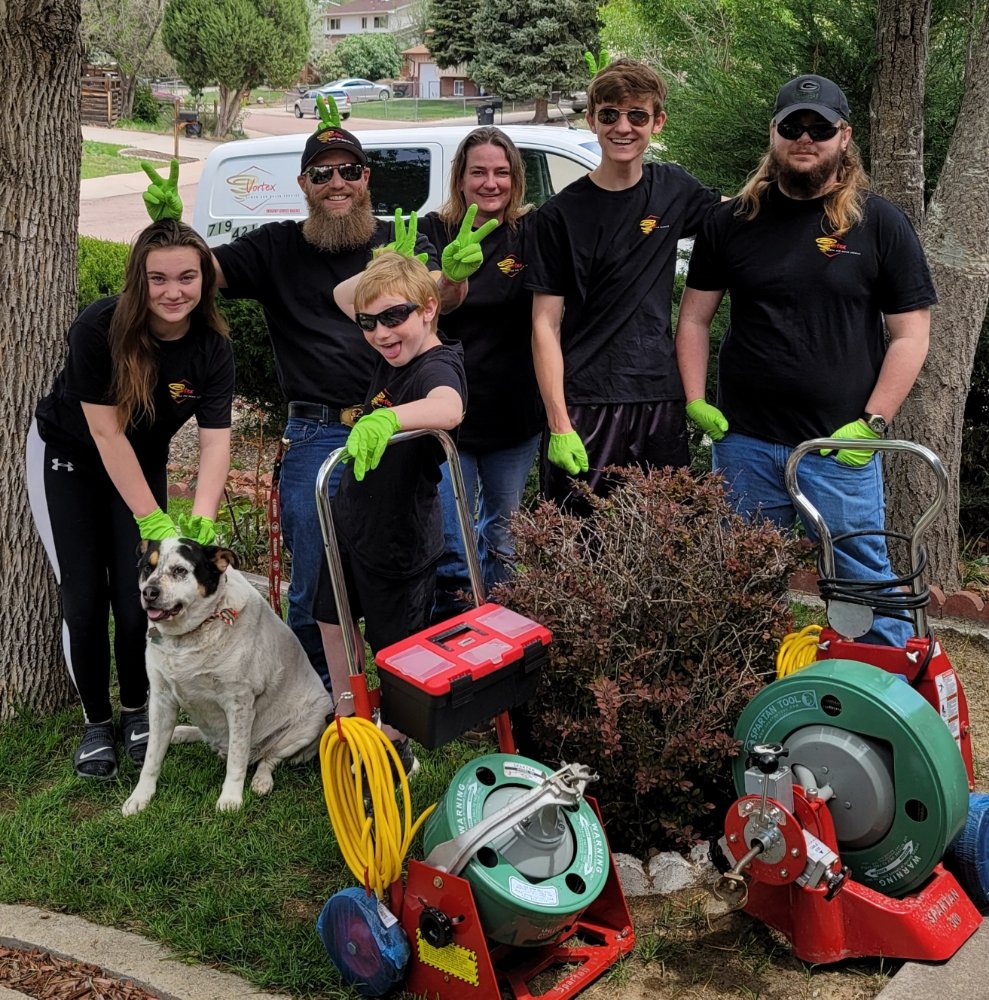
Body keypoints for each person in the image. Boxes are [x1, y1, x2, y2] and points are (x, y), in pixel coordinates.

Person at [190, 120, 482, 691]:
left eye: (349, 170)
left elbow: (436, 300)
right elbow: (200, 275)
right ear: (304, 183)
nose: (337, 182)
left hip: (403, 431)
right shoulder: (277, 246)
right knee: (316, 583)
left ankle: (435, 691)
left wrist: (456, 277)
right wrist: (173, 230)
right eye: (323, 173)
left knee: (436, 560)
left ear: (366, 177)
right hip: (318, 434)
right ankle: (320, 699)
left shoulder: (401, 237)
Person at [675, 74, 935, 647]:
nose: (805, 137)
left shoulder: (879, 222)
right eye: (793, 126)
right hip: (743, 440)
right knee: (742, 580)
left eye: (820, 128)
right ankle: (741, 695)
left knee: (861, 580)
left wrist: (873, 424)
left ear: (844, 138)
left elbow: (911, 334)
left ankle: (880, 693)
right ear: (774, 133)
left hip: (838, 446)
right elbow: (693, 318)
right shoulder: (731, 221)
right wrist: (696, 398)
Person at [27, 219, 235, 779]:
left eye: (187, 277)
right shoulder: (98, 326)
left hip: (141, 463)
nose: (174, 291)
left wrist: (202, 521)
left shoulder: (213, 346)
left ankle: (137, 711)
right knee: (85, 597)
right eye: (158, 278)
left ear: (204, 280)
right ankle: (97, 723)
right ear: (138, 280)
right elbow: (105, 433)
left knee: (136, 594)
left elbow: (216, 443)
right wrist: (153, 519)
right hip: (71, 458)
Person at [525, 58, 721, 511]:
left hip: (659, 398)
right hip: (585, 403)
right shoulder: (559, 217)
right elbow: (544, 326)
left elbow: (743, 216)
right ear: (592, 119)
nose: (623, 127)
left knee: (664, 545)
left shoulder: (674, 188)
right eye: (610, 114)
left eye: (638, 115)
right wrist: (558, 422)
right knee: (581, 549)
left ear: (657, 122)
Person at [313, 252, 467, 770]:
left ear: (429, 309)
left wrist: (389, 420)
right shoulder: (392, 347)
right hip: (351, 522)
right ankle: (351, 720)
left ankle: (396, 743)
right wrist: (396, 263)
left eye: (395, 317)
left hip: (400, 537)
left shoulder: (436, 362)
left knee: (396, 648)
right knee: (331, 620)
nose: (380, 333)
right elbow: (342, 295)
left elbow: (448, 407)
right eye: (369, 323)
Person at [419, 128, 542, 618]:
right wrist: (451, 276)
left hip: (514, 416)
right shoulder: (434, 229)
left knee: (505, 536)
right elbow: (430, 304)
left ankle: (501, 634)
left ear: (515, 177)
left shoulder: (530, 232)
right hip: (450, 416)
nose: (491, 183)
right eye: (479, 172)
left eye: (501, 172)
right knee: (453, 538)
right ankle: (456, 630)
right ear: (460, 178)